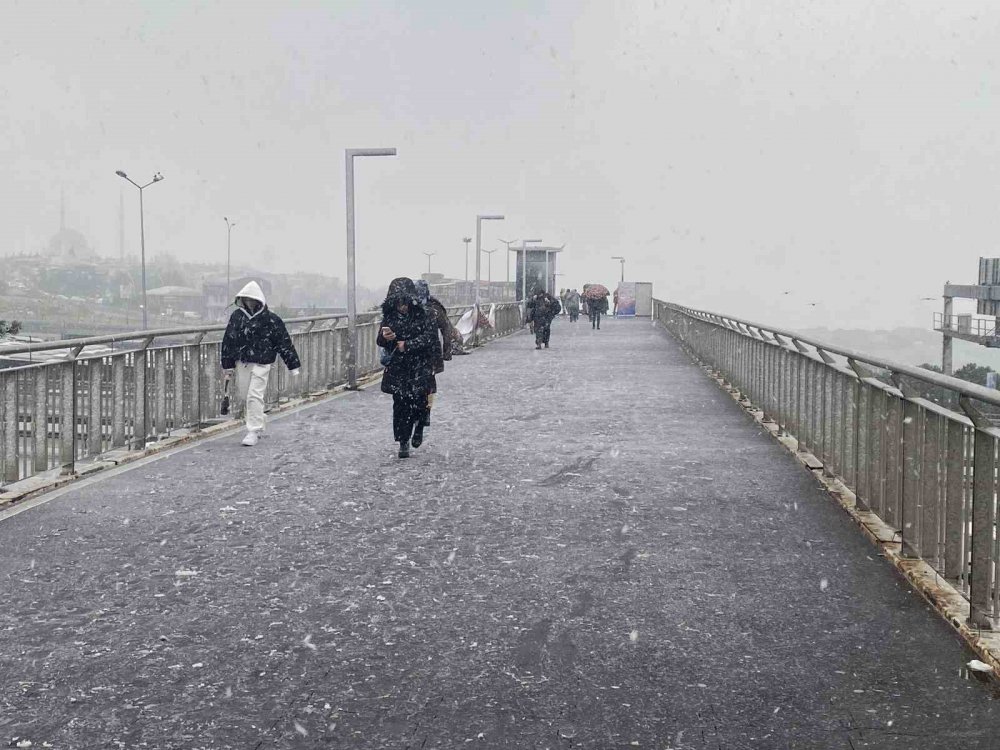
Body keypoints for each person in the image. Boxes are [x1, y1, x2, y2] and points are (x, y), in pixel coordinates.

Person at [220, 281, 301, 446]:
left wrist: (293, 365)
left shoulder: (271, 320)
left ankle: (253, 430)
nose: (249, 302)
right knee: (245, 395)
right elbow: (229, 340)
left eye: (251, 299)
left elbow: (283, 343)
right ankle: (259, 418)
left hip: (262, 363)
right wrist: (227, 365)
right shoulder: (237, 317)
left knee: (253, 395)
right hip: (242, 362)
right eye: (246, 299)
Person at [377, 277, 439, 458]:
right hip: (399, 368)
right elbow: (379, 340)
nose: (402, 306)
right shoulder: (389, 317)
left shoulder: (425, 315)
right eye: (398, 302)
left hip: (420, 366)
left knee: (420, 402)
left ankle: (419, 426)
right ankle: (403, 441)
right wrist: (386, 338)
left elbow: (430, 338)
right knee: (400, 405)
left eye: (404, 302)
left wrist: (408, 345)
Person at [415, 279, 458, 428]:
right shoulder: (434, 307)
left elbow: (446, 329)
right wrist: (447, 351)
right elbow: (446, 329)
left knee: (421, 386)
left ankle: (422, 413)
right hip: (429, 354)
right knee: (428, 387)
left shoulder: (413, 308)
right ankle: (425, 413)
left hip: (417, 355)